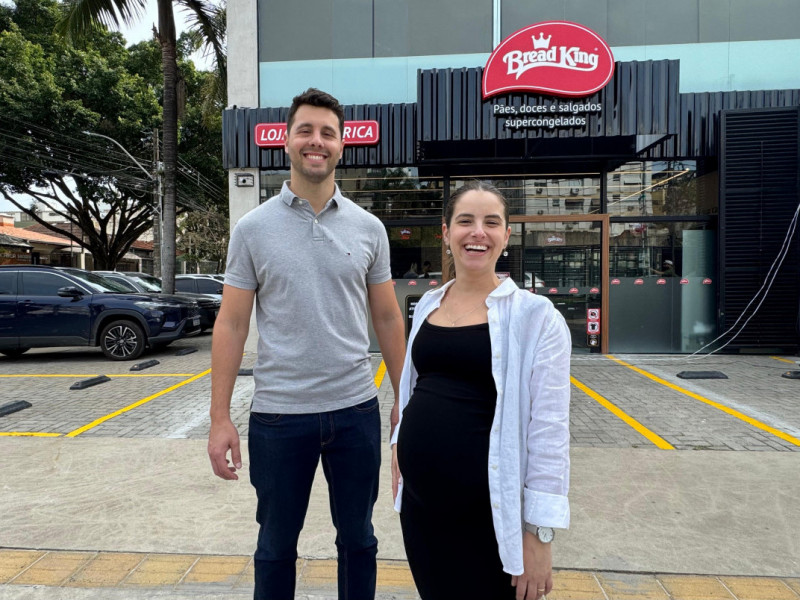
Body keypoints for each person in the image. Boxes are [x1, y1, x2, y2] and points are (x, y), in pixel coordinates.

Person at [208, 88, 406, 600]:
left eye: (327, 133)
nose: (316, 142)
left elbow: (386, 316)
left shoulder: (369, 229)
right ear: (285, 140)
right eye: (306, 130)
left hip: (355, 411)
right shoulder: (252, 229)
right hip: (278, 416)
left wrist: (406, 399)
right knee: (275, 545)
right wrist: (219, 418)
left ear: (342, 145)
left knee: (359, 540)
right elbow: (231, 323)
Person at [390, 180, 571, 600]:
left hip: (489, 515)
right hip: (422, 509)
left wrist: (539, 534)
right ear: (446, 232)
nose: (478, 232)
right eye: (465, 221)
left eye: (491, 222)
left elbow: (549, 430)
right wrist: (399, 441)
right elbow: (412, 387)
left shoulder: (535, 317)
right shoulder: (429, 304)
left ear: (506, 235)